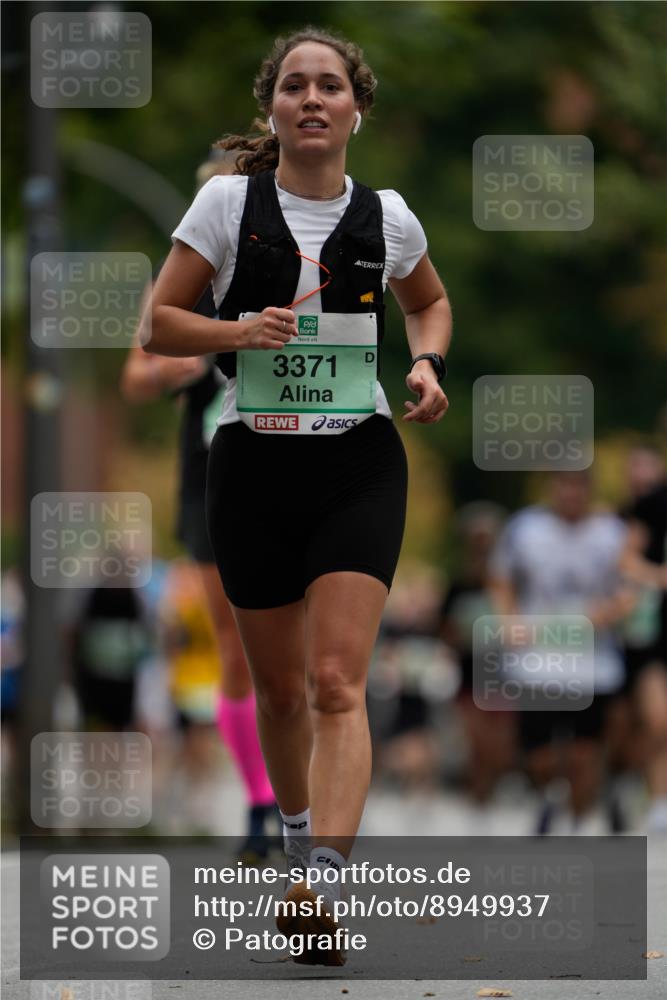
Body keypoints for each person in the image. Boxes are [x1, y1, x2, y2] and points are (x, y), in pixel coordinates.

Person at [145, 26, 451, 964]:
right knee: (277, 690)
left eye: (328, 86)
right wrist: (237, 335)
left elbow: (427, 302)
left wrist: (429, 364)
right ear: (272, 108)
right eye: (293, 86)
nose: (311, 99)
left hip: (357, 462)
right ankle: (293, 839)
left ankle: (326, 880)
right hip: (252, 465)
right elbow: (159, 324)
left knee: (332, 681)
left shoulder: (388, 217)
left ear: (356, 108)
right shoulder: (226, 205)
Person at [121, 152, 279, 860]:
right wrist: (185, 360)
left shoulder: (284, 266)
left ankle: (301, 795)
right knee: (235, 648)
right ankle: (259, 801)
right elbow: (135, 374)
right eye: (206, 196)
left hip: (285, 469)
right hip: (209, 479)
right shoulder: (177, 282)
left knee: (296, 653)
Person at [488, 470, 632, 834]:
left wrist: (609, 611)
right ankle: (550, 795)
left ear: (589, 489)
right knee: (541, 758)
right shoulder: (525, 527)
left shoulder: (612, 531)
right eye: (562, 484)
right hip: (537, 657)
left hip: (592, 660)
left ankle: (578, 825)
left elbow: (631, 588)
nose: (569, 493)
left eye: (577, 485)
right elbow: (501, 579)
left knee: (584, 753)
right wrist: (508, 621)